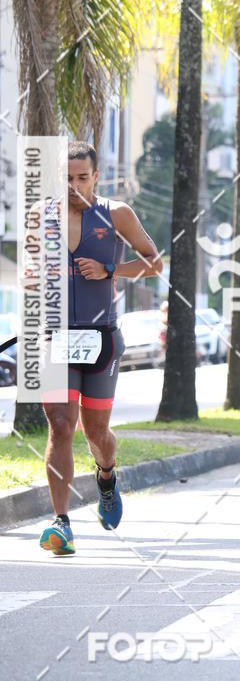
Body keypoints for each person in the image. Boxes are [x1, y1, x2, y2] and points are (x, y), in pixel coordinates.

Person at [39, 142, 163, 556]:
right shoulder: (44, 216)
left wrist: (110, 269)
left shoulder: (116, 214)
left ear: (95, 176)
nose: (74, 186)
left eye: (81, 178)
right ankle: (61, 523)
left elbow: (153, 261)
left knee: (95, 432)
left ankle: (106, 476)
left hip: (101, 338)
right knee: (60, 424)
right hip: (56, 337)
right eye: (67, 179)